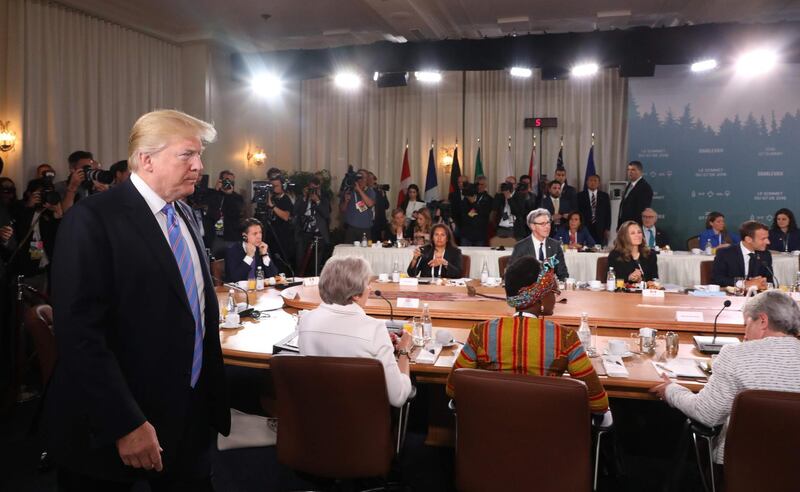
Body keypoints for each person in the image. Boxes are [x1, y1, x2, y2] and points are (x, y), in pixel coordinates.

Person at [44, 109, 230, 490]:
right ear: (146, 159)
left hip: (188, 420)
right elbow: (81, 335)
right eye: (187, 155)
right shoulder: (92, 219)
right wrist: (124, 422)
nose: (199, 166)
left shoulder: (188, 216)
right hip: (117, 429)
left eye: (200, 156)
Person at [446, 257, 611, 421]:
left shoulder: (481, 333)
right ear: (539, 297)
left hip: (490, 437)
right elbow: (599, 403)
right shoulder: (565, 338)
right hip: (547, 439)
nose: (556, 297)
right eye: (553, 291)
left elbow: (453, 388)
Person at [650, 290, 800, 464]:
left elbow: (706, 414)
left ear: (763, 321)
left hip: (741, 470)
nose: (744, 335)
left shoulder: (735, 355)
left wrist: (671, 390)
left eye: (747, 324)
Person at [297, 256, 413, 407]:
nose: (370, 289)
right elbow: (398, 397)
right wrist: (404, 351)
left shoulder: (306, 321)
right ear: (356, 294)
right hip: (361, 423)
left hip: (314, 417)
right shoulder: (374, 329)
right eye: (367, 284)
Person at [12, 176, 64, 293]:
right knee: (24, 304)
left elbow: (58, 238)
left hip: (43, 266)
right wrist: (29, 207)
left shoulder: (48, 211)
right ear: (29, 193)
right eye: (41, 193)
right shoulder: (19, 207)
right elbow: (19, 232)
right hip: (23, 267)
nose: (44, 196)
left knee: (41, 303)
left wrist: (58, 214)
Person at [712, 221, 773, 289]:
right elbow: (717, 279)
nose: (768, 242)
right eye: (763, 239)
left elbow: (769, 280)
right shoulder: (725, 253)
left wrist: (763, 282)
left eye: (767, 238)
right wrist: (744, 284)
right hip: (732, 296)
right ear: (748, 239)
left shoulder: (765, 255)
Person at [510, 209, 569, 280]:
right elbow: (511, 274)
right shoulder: (521, 247)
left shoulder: (555, 246)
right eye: (543, 224)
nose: (547, 227)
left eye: (548, 223)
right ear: (533, 226)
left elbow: (563, 274)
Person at [294, 176, 331, 276]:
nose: (313, 191)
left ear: (319, 187)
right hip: (304, 234)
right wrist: (305, 197)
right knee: (300, 262)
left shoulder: (324, 198)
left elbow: (326, 214)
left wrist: (318, 201)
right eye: (311, 189)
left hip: (319, 235)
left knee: (315, 264)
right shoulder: (302, 197)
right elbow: (296, 211)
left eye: (316, 188)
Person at [205, 170, 245, 258]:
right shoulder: (213, 194)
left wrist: (229, 194)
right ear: (220, 181)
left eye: (232, 181)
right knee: (216, 264)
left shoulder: (237, 198)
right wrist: (216, 191)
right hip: (216, 237)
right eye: (227, 180)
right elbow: (209, 211)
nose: (229, 183)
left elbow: (237, 213)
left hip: (233, 237)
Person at [224, 218, 279, 282]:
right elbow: (235, 278)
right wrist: (249, 256)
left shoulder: (262, 248)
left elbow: (273, 276)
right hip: (238, 290)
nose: (259, 236)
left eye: (260, 232)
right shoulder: (233, 250)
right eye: (255, 234)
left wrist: (265, 255)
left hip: (259, 289)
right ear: (244, 236)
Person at [263, 169, 295, 272]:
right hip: (269, 237)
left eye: (276, 186)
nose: (273, 188)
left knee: (281, 264)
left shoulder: (285, 199)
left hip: (282, 238)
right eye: (272, 186)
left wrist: (272, 207)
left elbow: (286, 216)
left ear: (282, 186)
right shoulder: (270, 198)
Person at [340, 169, 375, 243]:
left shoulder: (370, 191)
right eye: (359, 177)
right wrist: (346, 201)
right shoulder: (349, 190)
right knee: (349, 252)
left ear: (367, 179)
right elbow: (342, 210)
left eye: (364, 177)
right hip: (351, 228)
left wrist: (359, 190)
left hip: (365, 228)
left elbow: (370, 204)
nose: (361, 179)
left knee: (365, 252)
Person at [578, 174, 611, 245]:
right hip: (585, 226)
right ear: (587, 182)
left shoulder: (604, 196)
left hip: (600, 228)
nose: (593, 183)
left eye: (595, 181)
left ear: (599, 183)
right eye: (591, 180)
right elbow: (578, 213)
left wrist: (607, 229)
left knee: (600, 248)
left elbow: (608, 213)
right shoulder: (580, 196)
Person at [617, 160, 653, 225]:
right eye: (628, 170)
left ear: (640, 172)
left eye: (633, 170)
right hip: (624, 225)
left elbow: (641, 212)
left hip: (634, 227)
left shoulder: (644, 188)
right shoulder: (629, 185)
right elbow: (623, 207)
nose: (629, 172)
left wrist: (634, 228)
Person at [367, 171, 390, 242]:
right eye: (369, 179)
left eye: (373, 179)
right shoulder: (364, 191)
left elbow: (386, 206)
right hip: (366, 222)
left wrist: (383, 195)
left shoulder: (380, 191)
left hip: (378, 223)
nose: (371, 180)